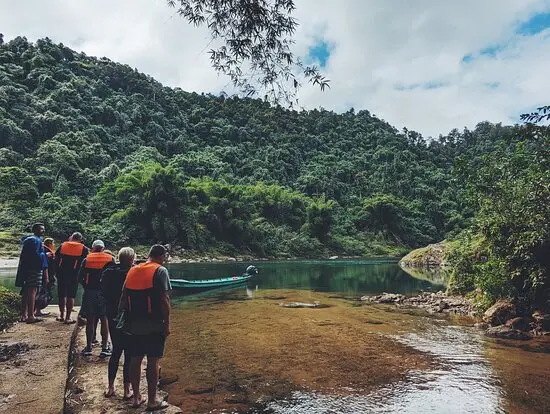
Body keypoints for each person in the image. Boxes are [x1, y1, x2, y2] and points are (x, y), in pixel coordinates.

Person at [120, 244, 171, 410]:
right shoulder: (161, 271)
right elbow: (164, 301)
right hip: (154, 324)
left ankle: (136, 398)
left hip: (134, 323)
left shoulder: (133, 270)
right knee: (153, 361)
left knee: (135, 359)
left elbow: (123, 298)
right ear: (162, 255)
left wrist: (124, 320)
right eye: (166, 256)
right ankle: (152, 400)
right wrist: (167, 324)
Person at [101, 247, 135, 399]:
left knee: (116, 351)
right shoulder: (134, 273)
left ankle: (110, 387)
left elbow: (102, 292)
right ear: (132, 259)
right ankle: (127, 390)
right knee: (129, 352)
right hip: (129, 316)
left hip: (112, 314)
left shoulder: (109, 272)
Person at [79, 240, 114, 357]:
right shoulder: (110, 259)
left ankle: (89, 347)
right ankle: (104, 348)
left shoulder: (87, 259)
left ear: (93, 248)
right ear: (103, 249)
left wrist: (87, 287)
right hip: (105, 293)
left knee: (90, 320)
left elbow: (80, 277)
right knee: (105, 320)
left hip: (90, 292)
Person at [15, 223, 49, 323]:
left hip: (27, 269)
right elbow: (35, 256)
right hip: (34, 269)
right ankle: (31, 316)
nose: (43, 231)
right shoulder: (35, 240)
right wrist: (45, 255)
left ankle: (24, 315)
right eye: (42, 229)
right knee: (32, 291)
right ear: (36, 230)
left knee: (26, 291)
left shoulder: (30, 240)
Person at [55, 232, 88, 324]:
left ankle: (61, 315)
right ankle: (68, 317)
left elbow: (56, 259)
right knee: (71, 295)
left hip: (61, 273)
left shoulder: (63, 245)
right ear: (80, 240)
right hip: (74, 274)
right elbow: (85, 263)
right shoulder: (83, 248)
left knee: (61, 294)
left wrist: (56, 272)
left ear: (72, 238)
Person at [34, 238, 57, 316]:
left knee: (42, 292)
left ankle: (37, 310)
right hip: (47, 275)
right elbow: (45, 266)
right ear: (50, 244)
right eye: (53, 243)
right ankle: (38, 310)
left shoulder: (44, 251)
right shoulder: (47, 252)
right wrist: (46, 277)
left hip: (47, 275)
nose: (54, 245)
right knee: (44, 293)